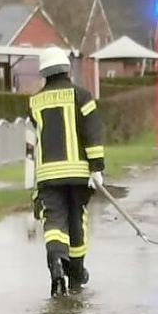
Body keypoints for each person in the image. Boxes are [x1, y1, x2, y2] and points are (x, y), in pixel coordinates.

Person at [30, 47, 105, 297]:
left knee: (54, 221)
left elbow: (35, 140)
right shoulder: (82, 96)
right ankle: (77, 271)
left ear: (44, 73)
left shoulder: (34, 102)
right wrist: (96, 168)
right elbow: (91, 133)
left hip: (48, 175)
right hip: (77, 173)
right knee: (76, 220)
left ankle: (56, 263)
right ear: (67, 69)